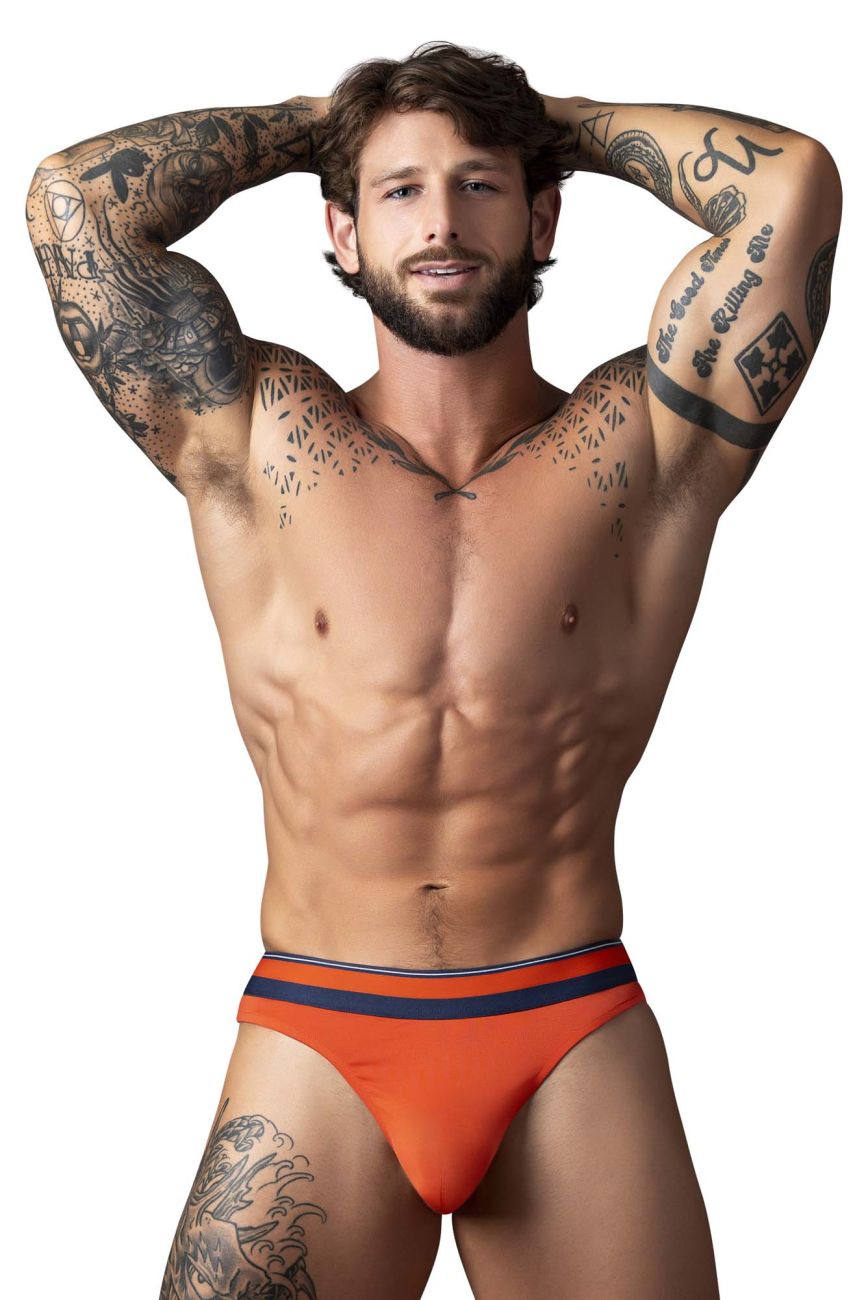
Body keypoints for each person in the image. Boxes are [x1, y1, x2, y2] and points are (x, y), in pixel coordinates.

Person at [25, 39, 841, 1300]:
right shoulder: (251, 434)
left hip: (568, 1027)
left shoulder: (642, 445)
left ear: (541, 216)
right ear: (341, 232)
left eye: (479, 184)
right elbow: (74, 203)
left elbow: (789, 185)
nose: (441, 221)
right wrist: (324, 123)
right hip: (320, 1030)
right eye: (399, 191)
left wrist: (551, 119)